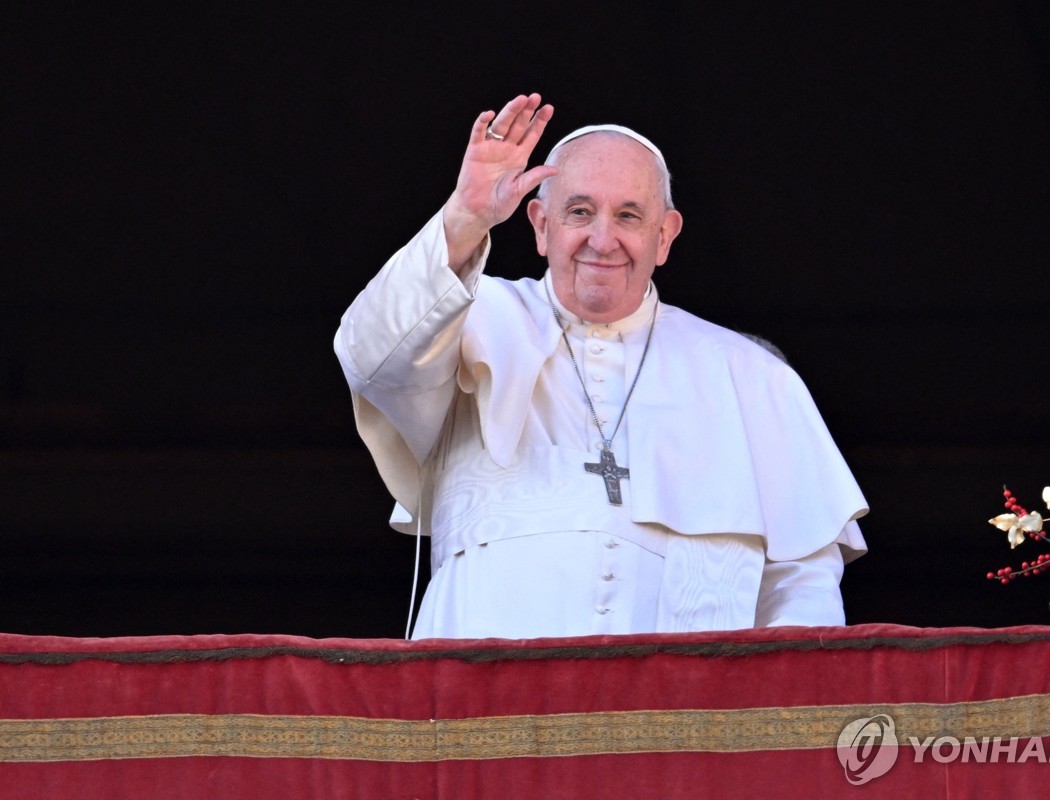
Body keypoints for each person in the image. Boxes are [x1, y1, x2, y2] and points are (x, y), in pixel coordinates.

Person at [334, 93, 868, 639]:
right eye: (580, 212)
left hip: (679, 718)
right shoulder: (468, 317)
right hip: (482, 708)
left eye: (629, 216)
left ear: (665, 236)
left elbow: (803, 588)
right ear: (540, 225)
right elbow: (372, 355)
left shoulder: (752, 378)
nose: (602, 239)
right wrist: (465, 219)